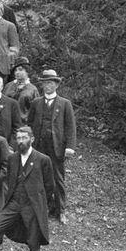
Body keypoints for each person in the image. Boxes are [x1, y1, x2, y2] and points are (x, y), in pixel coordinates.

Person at [28, 68, 78, 222]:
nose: (47, 86)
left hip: (57, 147)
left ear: (56, 85)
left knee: (58, 179)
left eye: (50, 83)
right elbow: (29, 123)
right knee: (38, 177)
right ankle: (42, 208)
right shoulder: (36, 103)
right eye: (44, 83)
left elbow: (70, 126)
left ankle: (60, 210)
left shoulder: (64, 103)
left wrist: (70, 147)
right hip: (38, 146)